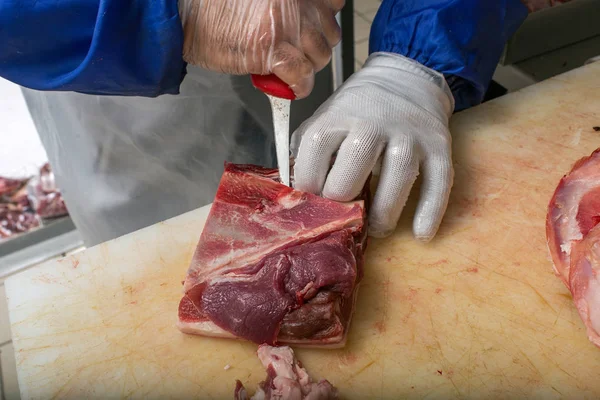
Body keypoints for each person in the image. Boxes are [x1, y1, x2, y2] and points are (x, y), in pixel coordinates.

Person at [0, 0, 530, 247]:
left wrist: (415, 60)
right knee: (150, 240)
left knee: (286, 174)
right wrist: (152, 11)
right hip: (102, 57)